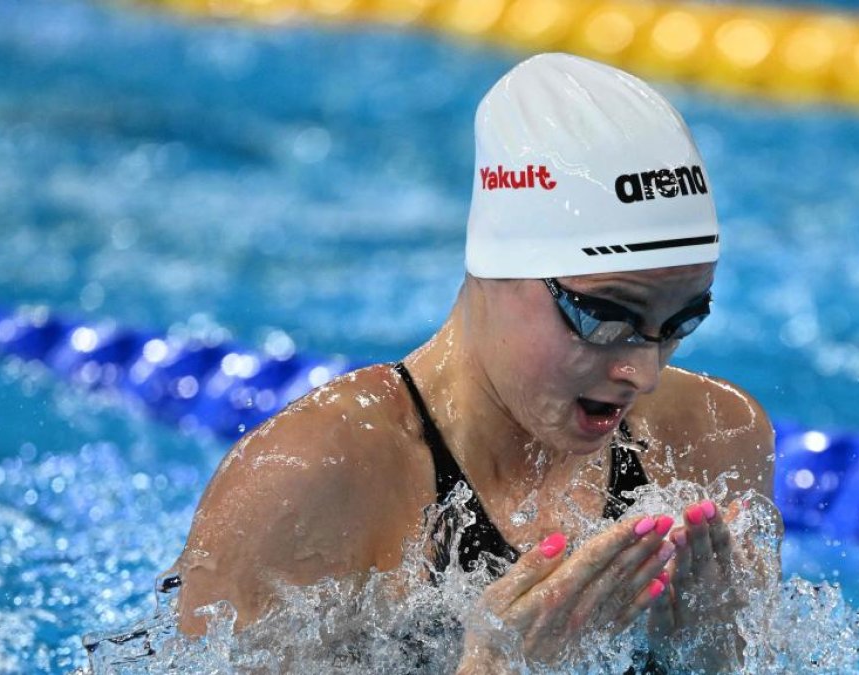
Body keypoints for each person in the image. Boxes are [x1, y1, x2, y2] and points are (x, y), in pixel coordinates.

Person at [167, 52, 779, 672]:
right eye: (605, 318)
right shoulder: (312, 482)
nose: (643, 373)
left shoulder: (715, 436)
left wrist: (710, 657)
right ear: (497, 267)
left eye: (680, 323)